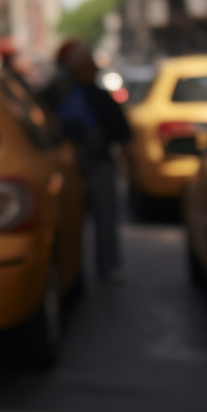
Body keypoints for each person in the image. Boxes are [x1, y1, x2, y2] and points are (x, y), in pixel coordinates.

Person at [50, 40, 130, 283]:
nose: (93, 68)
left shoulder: (100, 97)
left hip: (98, 165)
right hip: (65, 168)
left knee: (105, 219)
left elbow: (122, 134)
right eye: (87, 64)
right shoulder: (56, 94)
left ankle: (107, 266)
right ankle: (72, 270)